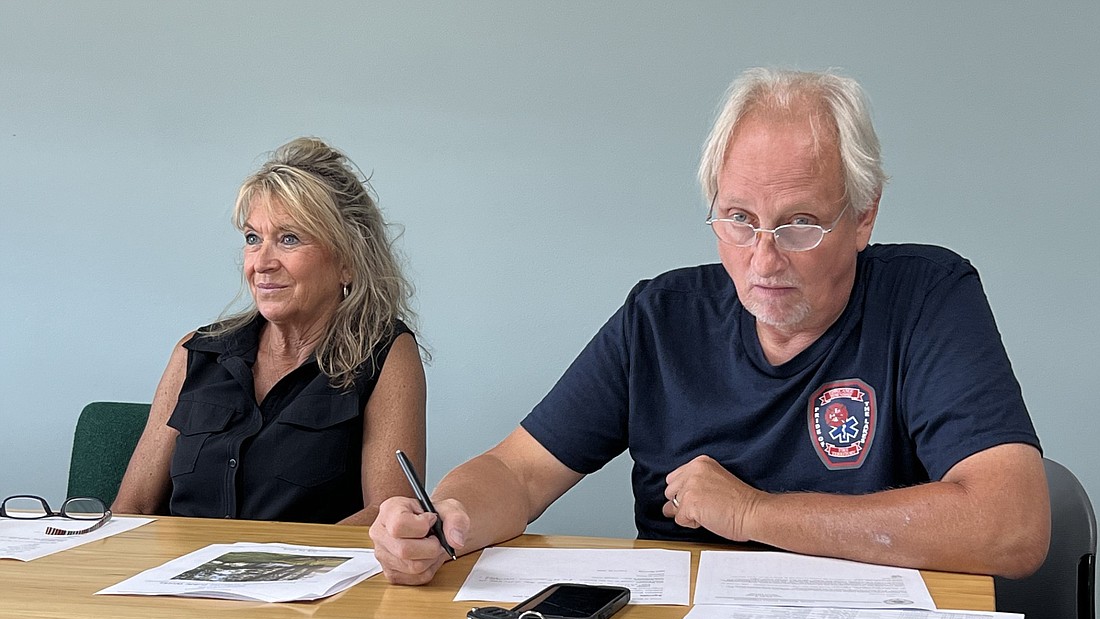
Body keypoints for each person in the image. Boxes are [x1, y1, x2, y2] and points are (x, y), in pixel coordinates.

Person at [369, 68, 1049, 586]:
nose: (763, 259)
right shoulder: (661, 320)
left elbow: (1013, 523)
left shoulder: (929, 296)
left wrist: (754, 514)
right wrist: (449, 515)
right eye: (738, 219)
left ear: (864, 215)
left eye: (799, 223)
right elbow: (516, 474)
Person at [114, 137, 425, 524]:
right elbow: (132, 509)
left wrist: (281, 568)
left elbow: (388, 517)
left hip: (308, 580)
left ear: (348, 261)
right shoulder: (197, 352)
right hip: (179, 579)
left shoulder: (384, 354)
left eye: (289, 239)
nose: (261, 262)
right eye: (252, 238)